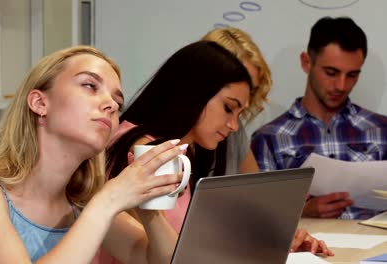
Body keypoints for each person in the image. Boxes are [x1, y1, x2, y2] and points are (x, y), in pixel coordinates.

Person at [0, 46, 186, 264]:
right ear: (40, 103)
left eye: (117, 103)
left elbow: (164, 261)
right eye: (90, 85)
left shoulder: (81, 203)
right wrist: (110, 198)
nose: (111, 105)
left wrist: (150, 210)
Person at [105, 38, 332, 263]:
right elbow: (158, 254)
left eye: (239, 114)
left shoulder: (185, 149)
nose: (233, 126)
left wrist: (276, 242)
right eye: (228, 108)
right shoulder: (146, 149)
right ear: (195, 92)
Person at [250, 16, 387, 220]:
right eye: (331, 72)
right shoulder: (269, 138)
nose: (341, 85)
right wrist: (302, 212)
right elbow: (258, 218)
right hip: (308, 250)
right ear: (306, 62)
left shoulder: (382, 130)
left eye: (352, 75)